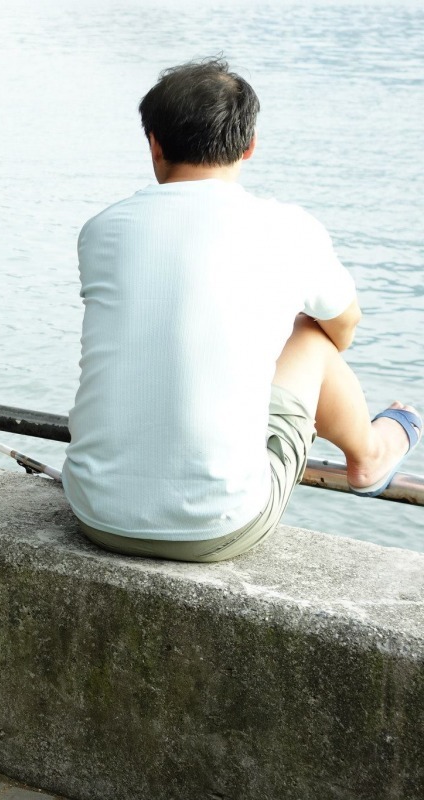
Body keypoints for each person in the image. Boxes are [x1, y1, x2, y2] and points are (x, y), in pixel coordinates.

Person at [62, 58, 420, 562]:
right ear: (249, 146)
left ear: (154, 144)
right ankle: (369, 455)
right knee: (311, 334)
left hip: (95, 513)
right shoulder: (287, 229)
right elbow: (344, 326)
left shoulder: (102, 230)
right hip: (218, 527)